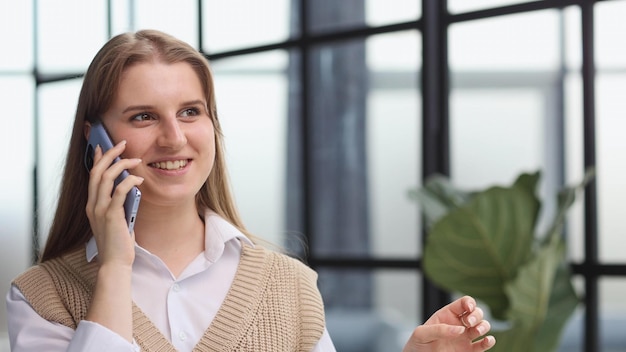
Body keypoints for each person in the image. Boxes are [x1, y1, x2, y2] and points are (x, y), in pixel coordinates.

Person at [5, 29, 496, 352]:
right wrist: (114, 266)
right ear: (96, 140)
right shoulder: (42, 297)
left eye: (190, 112)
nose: (174, 137)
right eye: (143, 116)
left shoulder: (290, 286)